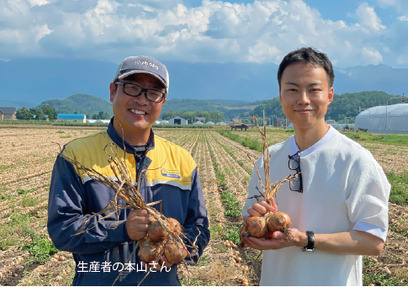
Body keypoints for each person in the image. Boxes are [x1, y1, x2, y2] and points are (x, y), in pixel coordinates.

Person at [47, 56, 210, 286]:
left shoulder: (183, 161)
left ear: (162, 101)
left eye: (153, 93)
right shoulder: (76, 156)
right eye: (133, 88)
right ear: (113, 91)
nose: (142, 100)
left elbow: (200, 228)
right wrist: (120, 229)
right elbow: (62, 229)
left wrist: (180, 249)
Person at [242, 47, 390, 286]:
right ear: (280, 95)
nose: (303, 99)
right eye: (292, 89)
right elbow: (248, 226)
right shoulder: (269, 158)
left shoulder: (356, 161)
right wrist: (257, 222)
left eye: (314, 90)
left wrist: (305, 239)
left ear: (329, 95)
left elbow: (373, 241)